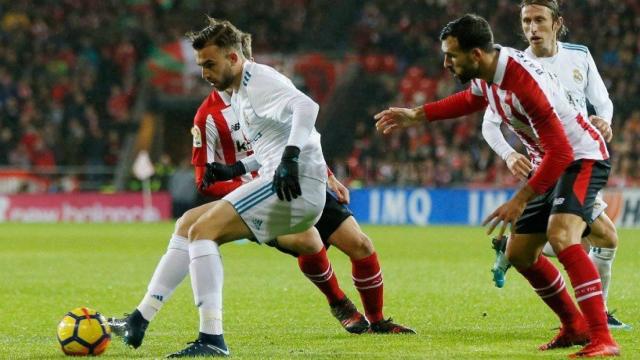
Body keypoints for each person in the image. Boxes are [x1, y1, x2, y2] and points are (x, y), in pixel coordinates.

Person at [108, 28, 412, 351]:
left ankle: (211, 339)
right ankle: (142, 319)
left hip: (294, 184)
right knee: (193, 228)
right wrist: (236, 169)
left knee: (204, 231)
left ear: (234, 57)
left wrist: (292, 159)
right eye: (201, 65)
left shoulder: (258, 81)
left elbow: (307, 108)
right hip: (282, 181)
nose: (203, 73)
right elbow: (269, 146)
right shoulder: (236, 95)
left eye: (209, 64)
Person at [374, 14, 619, 358]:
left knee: (562, 235)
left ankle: (603, 338)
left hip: (581, 157)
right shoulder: (489, 70)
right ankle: (574, 326)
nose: (446, 64)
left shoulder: (521, 82)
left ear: (475, 55)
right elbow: (473, 99)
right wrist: (418, 114)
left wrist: (520, 199)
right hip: (550, 160)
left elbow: (562, 150)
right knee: (519, 254)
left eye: (451, 56)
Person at [483, 0, 630, 330]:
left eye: (538, 20)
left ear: (557, 23)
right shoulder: (514, 67)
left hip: (576, 159)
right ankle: (597, 321)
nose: (532, 28)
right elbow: (488, 123)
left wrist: (604, 122)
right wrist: (509, 154)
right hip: (553, 166)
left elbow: (602, 101)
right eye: (525, 21)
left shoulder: (579, 55)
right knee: (600, 237)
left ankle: (515, 249)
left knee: (600, 237)